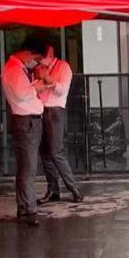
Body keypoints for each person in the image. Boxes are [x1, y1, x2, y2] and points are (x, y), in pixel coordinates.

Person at [2, 36, 48, 226]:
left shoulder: (17, 68)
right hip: (26, 121)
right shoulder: (14, 69)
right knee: (28, 168)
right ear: (28, 53)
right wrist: (37, 86)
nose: (35, 63)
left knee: (25, 167)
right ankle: (30, 209)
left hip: (26, 121)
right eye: (36, 59)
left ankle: (25, 206)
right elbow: (22, 94)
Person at [35, 43, 83, 206]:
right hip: (40, 110)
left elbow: (62, 89)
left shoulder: (63, 66)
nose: (40, 59)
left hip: (55, 110)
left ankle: (73, 188)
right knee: (44, 153)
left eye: (42, 55)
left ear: (50, 52)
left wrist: (47, 79)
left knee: (56, 151)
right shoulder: (38, 67)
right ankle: (53, 190)